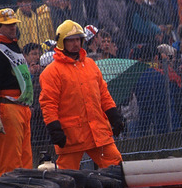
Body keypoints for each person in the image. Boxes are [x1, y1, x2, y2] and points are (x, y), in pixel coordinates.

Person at [38, 20, 124, 169]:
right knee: (67, 176)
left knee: (116, 165)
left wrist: (114, 116)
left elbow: (103, 94)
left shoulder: (91, 65)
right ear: (61, 42)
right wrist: (54, 129)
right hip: (72, 136)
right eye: (71, 40)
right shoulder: (51, 72)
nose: (76, 43)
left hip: (98, 132)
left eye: (78, 39)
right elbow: (48, 104)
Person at [0, 9, 34, 174]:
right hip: (7, 106)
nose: (13, 27)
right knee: (10, 159)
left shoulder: (13, 45)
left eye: (14, 24)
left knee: (25, 157)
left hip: (22, 106)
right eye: (8, 25)